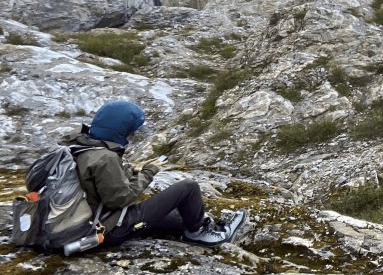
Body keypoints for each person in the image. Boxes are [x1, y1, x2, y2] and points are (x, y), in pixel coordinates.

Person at [59, 101, 246, 246]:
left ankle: (202, 225)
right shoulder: (105, 157)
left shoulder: (80, 146)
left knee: (177, 216)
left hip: (81, 221)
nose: (132, 134)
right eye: (132, 130)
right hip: (108, 228)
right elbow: (119, 199)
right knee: (188, 188)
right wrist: (149, 172)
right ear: (121, 129)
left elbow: (95, 180)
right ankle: (200, 234)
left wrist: (132, 170)